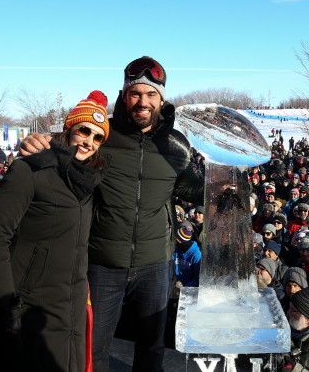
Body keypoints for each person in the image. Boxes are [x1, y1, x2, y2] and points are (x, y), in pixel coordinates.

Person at [19, 56, 203, 372]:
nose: (142, 102)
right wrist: (39, 143)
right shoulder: (104, 134)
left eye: (150, 94)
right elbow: (67, 143)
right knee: (92, 347)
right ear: (124, 95)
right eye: (135, 93)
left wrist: (230, 186)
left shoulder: (176, 146)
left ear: (161, 98)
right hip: (102, 262)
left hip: (155, 264)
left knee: (151, 349)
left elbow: (199, 191)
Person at [0, 91, 110, 372]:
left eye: (97, 137)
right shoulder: (30, 170)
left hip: (72, 301)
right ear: (68, 129)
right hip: (30, 301)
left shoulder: (92, 182)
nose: (89, 141)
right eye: (84, 130)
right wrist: (5, 304)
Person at [172, 220, 201, 288]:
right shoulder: (177, 248)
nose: (174, 243)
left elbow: (198, 279)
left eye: (176, 241)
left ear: (182, 242)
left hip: (187, 290)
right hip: (174, 284)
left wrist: (184, 287)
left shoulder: (196, 255)